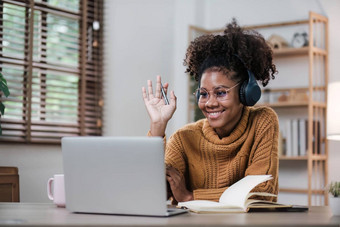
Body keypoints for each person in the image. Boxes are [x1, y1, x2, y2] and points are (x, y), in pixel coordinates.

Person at [142, 19, 279, 204]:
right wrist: (158, 127)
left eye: (221, 93)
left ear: (245, 92)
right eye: (204, 94)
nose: (210, 103)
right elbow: (152, 193)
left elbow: (261, 191)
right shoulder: (184, 139)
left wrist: (191, 197)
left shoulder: (262, 121)